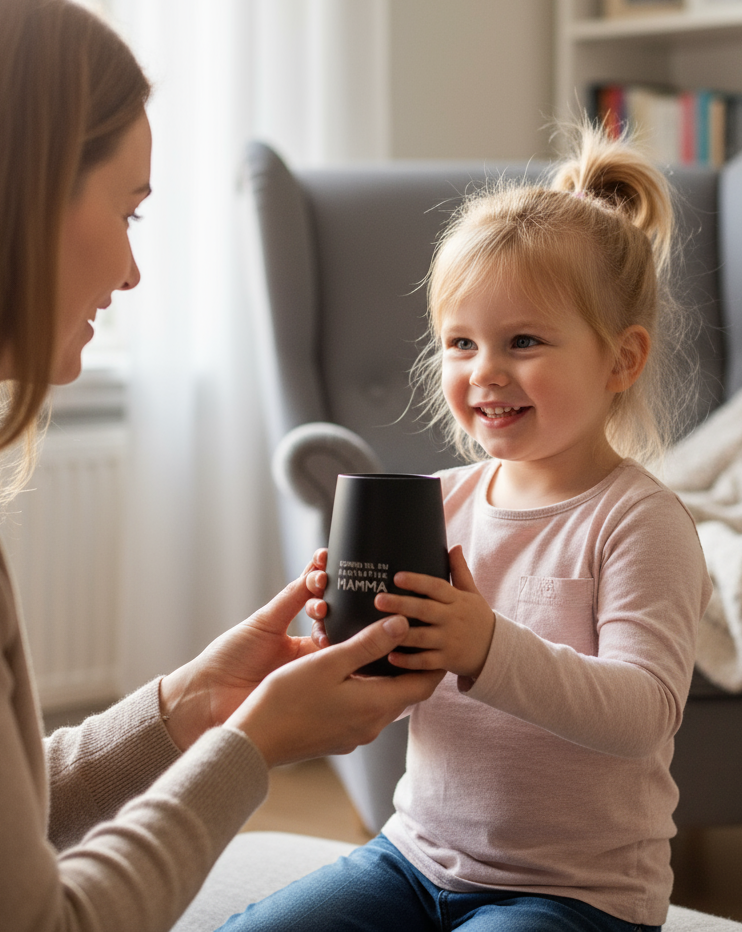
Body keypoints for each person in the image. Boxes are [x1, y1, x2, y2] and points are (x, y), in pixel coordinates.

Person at [0, 0, 443, 932]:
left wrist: (185, 708)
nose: (133, 269)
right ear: (13, 200)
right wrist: (247, 748)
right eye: (129, 210)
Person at [216, 124, 713, 932]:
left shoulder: (637, 523)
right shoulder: (436, 503)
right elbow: (401, 695)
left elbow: (644, 712)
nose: (485, 370)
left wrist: (486, 647)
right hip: (415, 858)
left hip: (577, 893)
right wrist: (355, 640)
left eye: (524, 342)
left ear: (621, 361)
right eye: (461, 343)